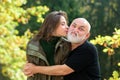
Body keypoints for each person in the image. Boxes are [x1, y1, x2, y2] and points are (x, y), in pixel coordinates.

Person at [23, 18, 101, 80]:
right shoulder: (64, 45)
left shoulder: (88, 49)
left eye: (81, 29)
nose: (75, 30)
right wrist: (29, 67)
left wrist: (35, 69)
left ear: (87, 35)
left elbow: (63, 70)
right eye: (74, 26)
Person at [25, 11, 71, 80]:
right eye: (63, 24)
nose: (67, 27)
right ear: (51, 25)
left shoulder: (67, 45)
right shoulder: (32, 44)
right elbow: (29, 69)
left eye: (66, 24)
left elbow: (65, 70)